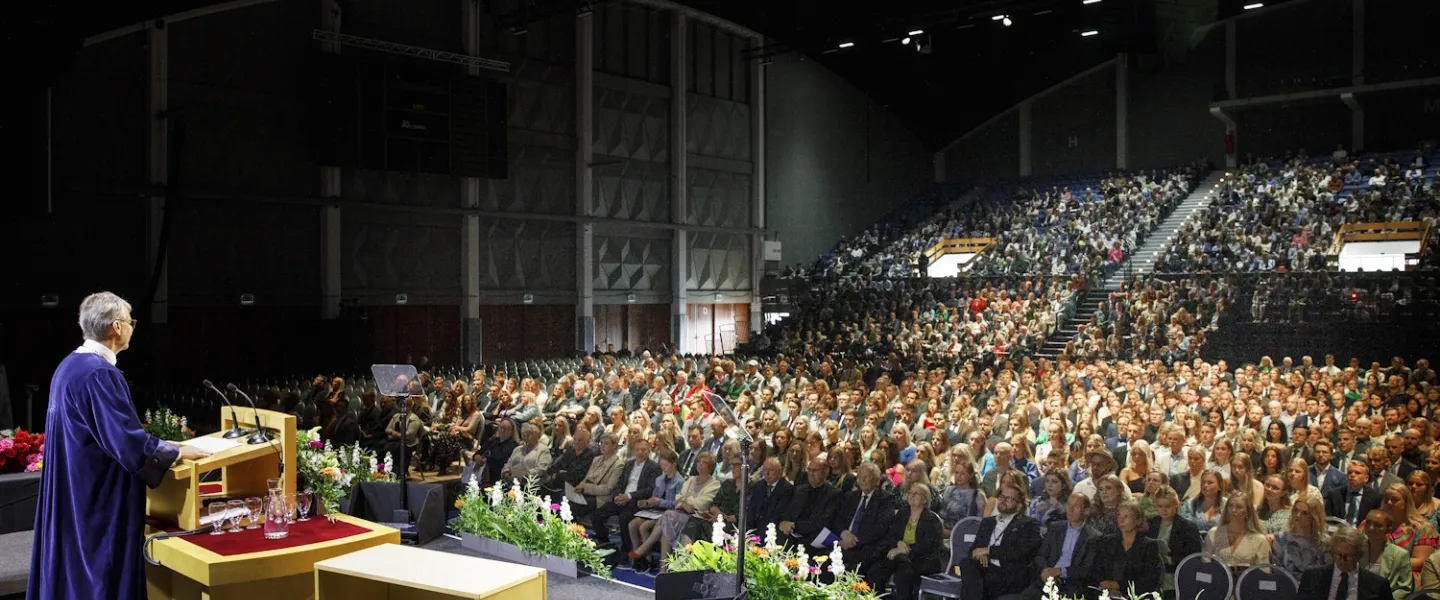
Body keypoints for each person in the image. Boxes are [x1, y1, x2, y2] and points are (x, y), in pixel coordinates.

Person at [29, 292, 212, 600]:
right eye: (130, 321)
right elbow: (126, 444)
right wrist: (177, 451)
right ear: (116, 327)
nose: (131, 327)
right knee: (102, 576)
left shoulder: (70, 366)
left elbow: (104, 431)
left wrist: (162, 443)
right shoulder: (99, 373)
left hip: (75, 486)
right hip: (98, 497)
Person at [955, 477, 1044, 600]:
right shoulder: (987, 522)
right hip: (986, 570)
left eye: (1009, 499)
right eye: (1002, 497)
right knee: (968, 564)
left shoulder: (1027, 524)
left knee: (976, 585)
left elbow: (1020, 552)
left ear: (1019, 506)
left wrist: (989, 551)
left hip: (1008, 574)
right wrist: (979, 555)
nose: (1003, 501)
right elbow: (974, 550)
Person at [866, 483, 946, 600]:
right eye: (910, 492)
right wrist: (898, 543)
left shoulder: (931, 519)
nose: (911, 495)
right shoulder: (902, 514)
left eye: (916, 493)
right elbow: (891, 535)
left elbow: (927, 545)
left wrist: (903, 550)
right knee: (875, 571)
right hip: (899, 556)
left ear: (925, 500)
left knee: (903, 575)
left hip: (921, 559)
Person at [1027, 493, 1102, 600]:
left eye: (1076, 506)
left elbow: (1087, 569)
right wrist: (1045, 570)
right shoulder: (1055, 527)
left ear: (1086, 511)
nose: (1070, 509)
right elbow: (1041, 555)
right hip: (1047, 580)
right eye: (1069, 505)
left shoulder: (1093, 536)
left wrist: (1060, 571)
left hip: (1072, 584)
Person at [1296, 525, 1392, 600]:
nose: (1342, 560)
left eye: (1348, 556)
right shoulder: (1312, 577)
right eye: (1338, 555)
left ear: (1360, 555)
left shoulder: (1378, 586)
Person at [1094, 500, 1164, 597]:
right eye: (1119, 516)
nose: (1121, 520)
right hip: (1107, 594)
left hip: (1136, 595)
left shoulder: (1149, 546)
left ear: (1138, 521)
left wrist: (1117, 586)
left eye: (1126, 516)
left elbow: (1149, 580)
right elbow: (1098, 570)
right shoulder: (1107, 542)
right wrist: (1108, 589)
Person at [1204, 491, 1273, 567]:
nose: (1233, 510)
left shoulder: (1259, 540)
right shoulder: (1214, 533)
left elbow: (1264, 570)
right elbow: (1205, 564)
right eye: (1230, 506)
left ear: (1247, 512)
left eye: (1239, 507)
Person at [1360, 510, 1413, 600]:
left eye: (1378, 525)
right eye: (1368, 523)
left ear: (1388, 530)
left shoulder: (1400, 555)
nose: (1371, 528)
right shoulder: (1355, 550)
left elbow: (1404, 588)